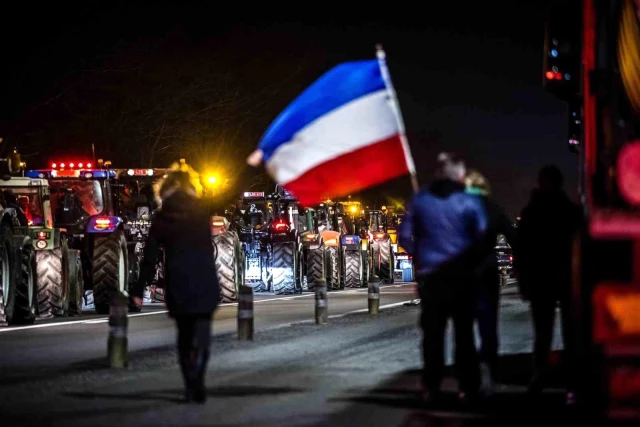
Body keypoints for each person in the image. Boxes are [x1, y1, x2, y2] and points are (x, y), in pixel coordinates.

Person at [399, 152, 488, 404]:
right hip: (462, 277)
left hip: (432, 278)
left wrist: (421, 256)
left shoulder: (420, 200)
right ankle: (468, 387)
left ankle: (431, 386)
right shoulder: (470, 203)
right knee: (464, 335)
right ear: (460, 175)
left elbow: (404, 237)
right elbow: (482, 237)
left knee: (432, 335)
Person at [132, 168, 220, 404]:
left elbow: (149, 258)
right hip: (204, 281)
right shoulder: (203, 209)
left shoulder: (161, 217)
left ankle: (190, 384)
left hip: (178, 281)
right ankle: (199, 381)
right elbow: (230, 195)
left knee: (184, 336)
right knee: (202, 336)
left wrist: (139, 290)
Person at [514, 164, 582, 404]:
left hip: (540, 279)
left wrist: (523, 279)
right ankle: (572, 384)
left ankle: (539, 378)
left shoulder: (531, 212)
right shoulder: (572, 211)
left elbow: (520, 250)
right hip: (566, 279)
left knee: (542, 334)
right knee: (571, 334)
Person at [464, 170, 517, 396]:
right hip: (487, 272)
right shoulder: (494, 209)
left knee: (464, 328)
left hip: (463, 274)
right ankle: (490, 373)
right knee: (489, 327)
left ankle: (468, 380)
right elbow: (514, 238)